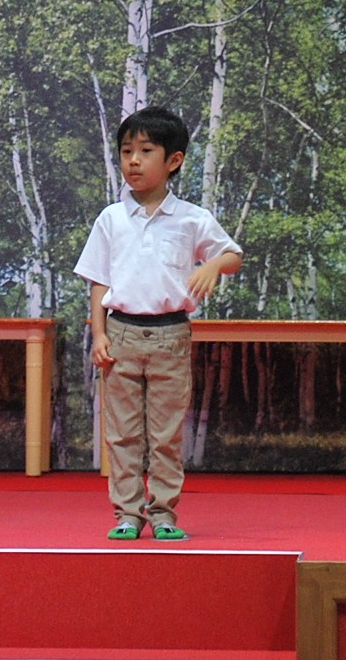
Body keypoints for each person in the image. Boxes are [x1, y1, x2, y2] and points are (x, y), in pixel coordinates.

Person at [76, 106, 242, 541]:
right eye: (126, 151)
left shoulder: (191, 218)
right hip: (121, 334)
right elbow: (98, 280)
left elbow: (232, 256)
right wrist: (99, 334)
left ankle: (164, 513)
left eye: (146, 151)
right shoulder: (111, 218)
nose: (133, 161)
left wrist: (213, 265)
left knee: (165, 434)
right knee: (123, 434)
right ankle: (127, 515)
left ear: (174, 160)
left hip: (171, 334)